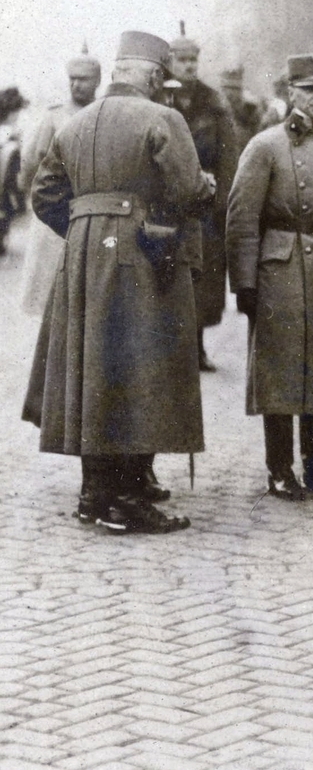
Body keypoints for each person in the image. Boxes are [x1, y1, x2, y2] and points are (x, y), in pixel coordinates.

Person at [24, 31, 214, 534]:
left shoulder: (76, 122)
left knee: (94, 365)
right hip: (142, 256)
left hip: (84, 256)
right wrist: (205, 187)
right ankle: (127, 498)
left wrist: (87, 224)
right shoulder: (163, 118)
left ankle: (94, 492)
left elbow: (43, 194)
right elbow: (189, 190)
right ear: (153, 76)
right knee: (140, 368)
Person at [227, 53, 313, 502]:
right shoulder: (266, 146)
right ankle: (280, 468)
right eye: (311, 90)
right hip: (282, 267)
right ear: (291, 93)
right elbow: (241, 218)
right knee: (282, 368)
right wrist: (245, 284)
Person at [166, 25, 240, 373]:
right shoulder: (158, 100)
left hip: (205, 207)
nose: (189, 66)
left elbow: (229, 158)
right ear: (170, 63)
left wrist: (223, 204)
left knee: (203, 276)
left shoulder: (214, 103)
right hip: (166, 203)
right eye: (182, 60)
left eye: (194, 60)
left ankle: (196, 347)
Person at [20, 45, 102, 316]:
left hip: (91, 211)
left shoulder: (104, 113)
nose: (76, 85)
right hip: (54, 213)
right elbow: (32, 162)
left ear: (97, 81)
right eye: (72, 79)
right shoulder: (54, 116)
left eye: (84, 79)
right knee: (50, 295)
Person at [219, 66, 266, 138]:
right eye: (226, 88)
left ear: (240, 90)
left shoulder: (251, 109)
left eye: (234, 88)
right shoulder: (216, 108)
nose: (230, 93)